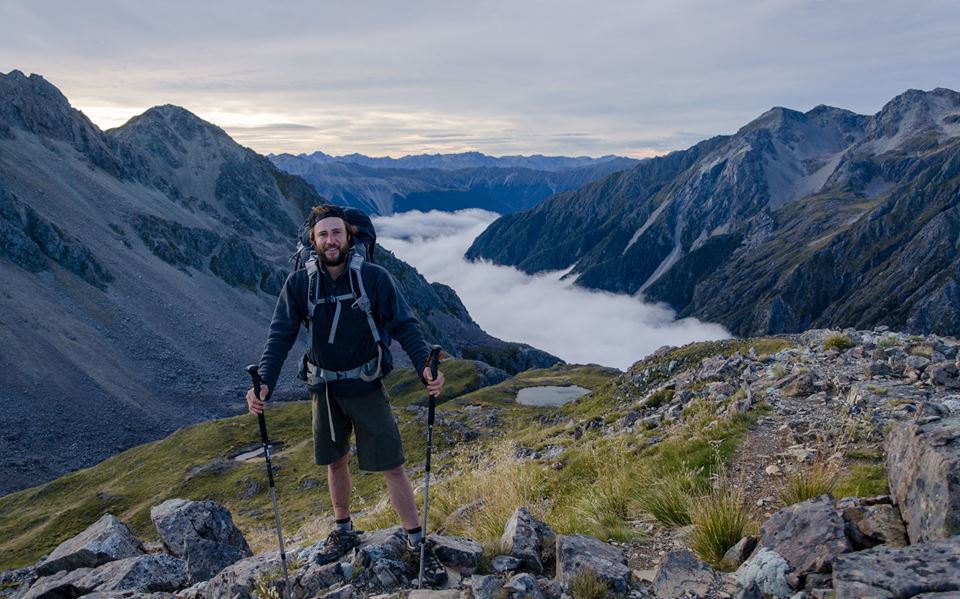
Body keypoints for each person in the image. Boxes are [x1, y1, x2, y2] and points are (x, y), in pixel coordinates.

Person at [245, 204, 448, 584]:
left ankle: (416, 539)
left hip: (366, 385)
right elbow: (280, 336)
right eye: (323, 234)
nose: (330, 240)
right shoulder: (299, 284)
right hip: (323, 388)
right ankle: (343, 529)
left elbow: (405, 325)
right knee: (334, 460)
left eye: (336, 233)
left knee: (392, 464)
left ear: (349, 236)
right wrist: (264, 382)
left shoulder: (373, 278)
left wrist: (424, 366)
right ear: (313, 240)